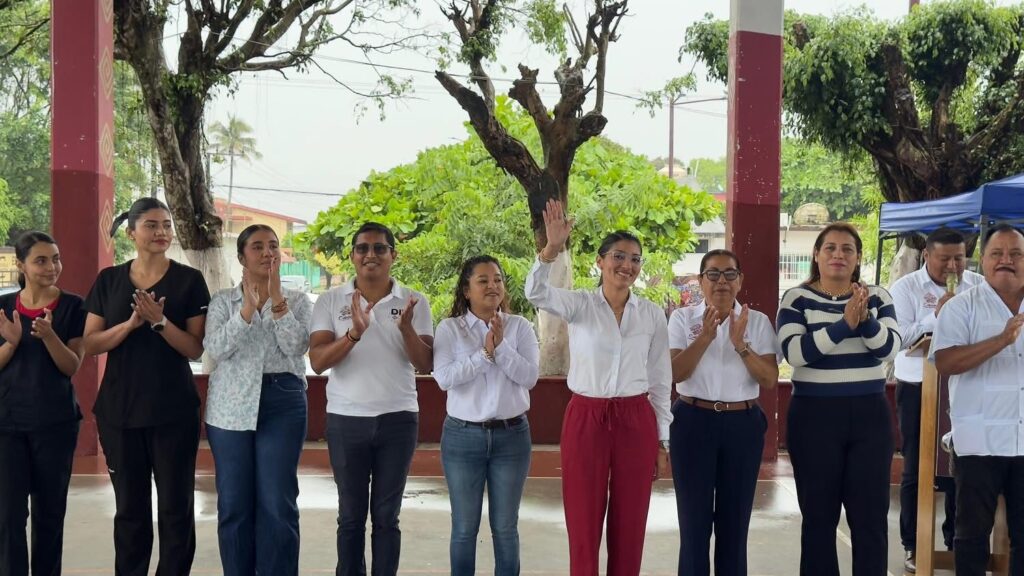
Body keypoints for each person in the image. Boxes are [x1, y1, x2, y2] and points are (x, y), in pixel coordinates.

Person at [525, 199, 672, 576]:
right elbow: (536, 294)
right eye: (618, 256)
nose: (627, 265)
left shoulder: (651, 314)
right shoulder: (580, 305)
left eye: (635, 259)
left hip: (636, 418)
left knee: (631, 519)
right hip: (586, 416)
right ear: (600, 262)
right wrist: (551, 249)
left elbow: (660, 379)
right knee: (583, 518)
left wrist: (662, 440)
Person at [83, 197, 210, 576]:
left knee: (175, 507)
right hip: (119, 412)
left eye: (166, 225)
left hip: (173, 413)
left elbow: (195, 348)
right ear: (131, 233)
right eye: (152, 225)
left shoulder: (189, 280)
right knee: (130, 510)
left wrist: (159, 322)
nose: (161, 232)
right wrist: (129, 325)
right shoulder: (109, 280)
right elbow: (91, 343)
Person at [308, 222, 433, 576]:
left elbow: (425, 364)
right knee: (350, 517)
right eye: (362, 248)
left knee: (386, 517)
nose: (371, 255)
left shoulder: (414, 301)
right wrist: (353, 334)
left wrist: (406, 329)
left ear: (394, 255)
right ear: (352, 256)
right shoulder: (331, 301)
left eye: (380, 248)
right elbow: (317, 361)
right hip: (346, 420)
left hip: (398, 419)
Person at [776, 222, 901, 576]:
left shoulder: (877, 297)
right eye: (830, 248)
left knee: (870, 518)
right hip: (814, 417)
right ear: (816, 255)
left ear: (858, 257)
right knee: (818, 517)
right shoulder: (797, 299)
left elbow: (889, 349)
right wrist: (845, 325)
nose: (838, 255)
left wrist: (865, 321)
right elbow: (796, 353)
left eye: (847, 249)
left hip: (870, 417)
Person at [203, 224, 313, 576]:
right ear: (241, 257)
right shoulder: (223, 301)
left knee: (277, 502)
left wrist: (277, 301)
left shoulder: (297, 300)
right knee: (234, 504)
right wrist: (246, 311)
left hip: (283, 402)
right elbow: (215, 348)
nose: (268, 253)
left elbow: (297, 346)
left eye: (274, 246)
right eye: (258, 247)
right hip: (230, 408)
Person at [667, 249, 778, 576]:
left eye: (730, 274)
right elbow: (675, 373)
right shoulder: (682, 319)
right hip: (692, 422)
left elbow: (769, 379)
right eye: (713, 274)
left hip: (742, 424)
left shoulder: (757, 322)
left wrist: (740, 344)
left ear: (740, 280)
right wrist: (705, 337)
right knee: (693, 524)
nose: (721, 282)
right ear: (700, 281)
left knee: (735, 525)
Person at [433, 255, 540, 576]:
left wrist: (501, 347)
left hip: (512, 437)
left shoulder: (520, 327)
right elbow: (444, 379)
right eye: (483, 280)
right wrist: (484, 354)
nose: (493, 286)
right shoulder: (450, 329)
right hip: (462, 437)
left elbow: (529, 377)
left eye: (497, 280)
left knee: (505, 527)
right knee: (464, 528)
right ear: (467, 290)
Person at [930, 224, 1024, 576]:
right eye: (997, 254)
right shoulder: (961, 307)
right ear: (982, 261)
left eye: (1016, 254)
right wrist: (1000, 341)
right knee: (971, 536)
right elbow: (945, 362)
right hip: (978, 443)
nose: (1006, 260)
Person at [889, 227, 983, 572]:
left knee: (964, 464)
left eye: (959, 258)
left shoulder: (979, 285)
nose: (953, 266)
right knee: (918, 466)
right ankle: (914, 544)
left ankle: (955, 541)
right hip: (919, 386)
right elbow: (899, 338)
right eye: (945, 259)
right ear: (927, 256)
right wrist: (937, 316)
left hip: (967, 385)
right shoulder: (905, 288)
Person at [0, 232, 86, 576]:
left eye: (56, 259)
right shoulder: (4, 307)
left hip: (55, 424)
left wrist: (49, 336)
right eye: (41, 260)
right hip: (7, 425)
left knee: (50, 515)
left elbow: (71, 366)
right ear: (21, 265)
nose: (52, 267)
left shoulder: (74, 306)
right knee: (8, 516)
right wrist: (11, 343)